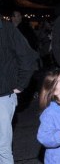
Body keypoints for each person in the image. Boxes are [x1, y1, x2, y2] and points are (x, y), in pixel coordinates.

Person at [0, 18, 38, 164]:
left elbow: (28, 57)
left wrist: (20, 84)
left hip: (2, 97)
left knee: (2, 147)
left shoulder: (7, 29)